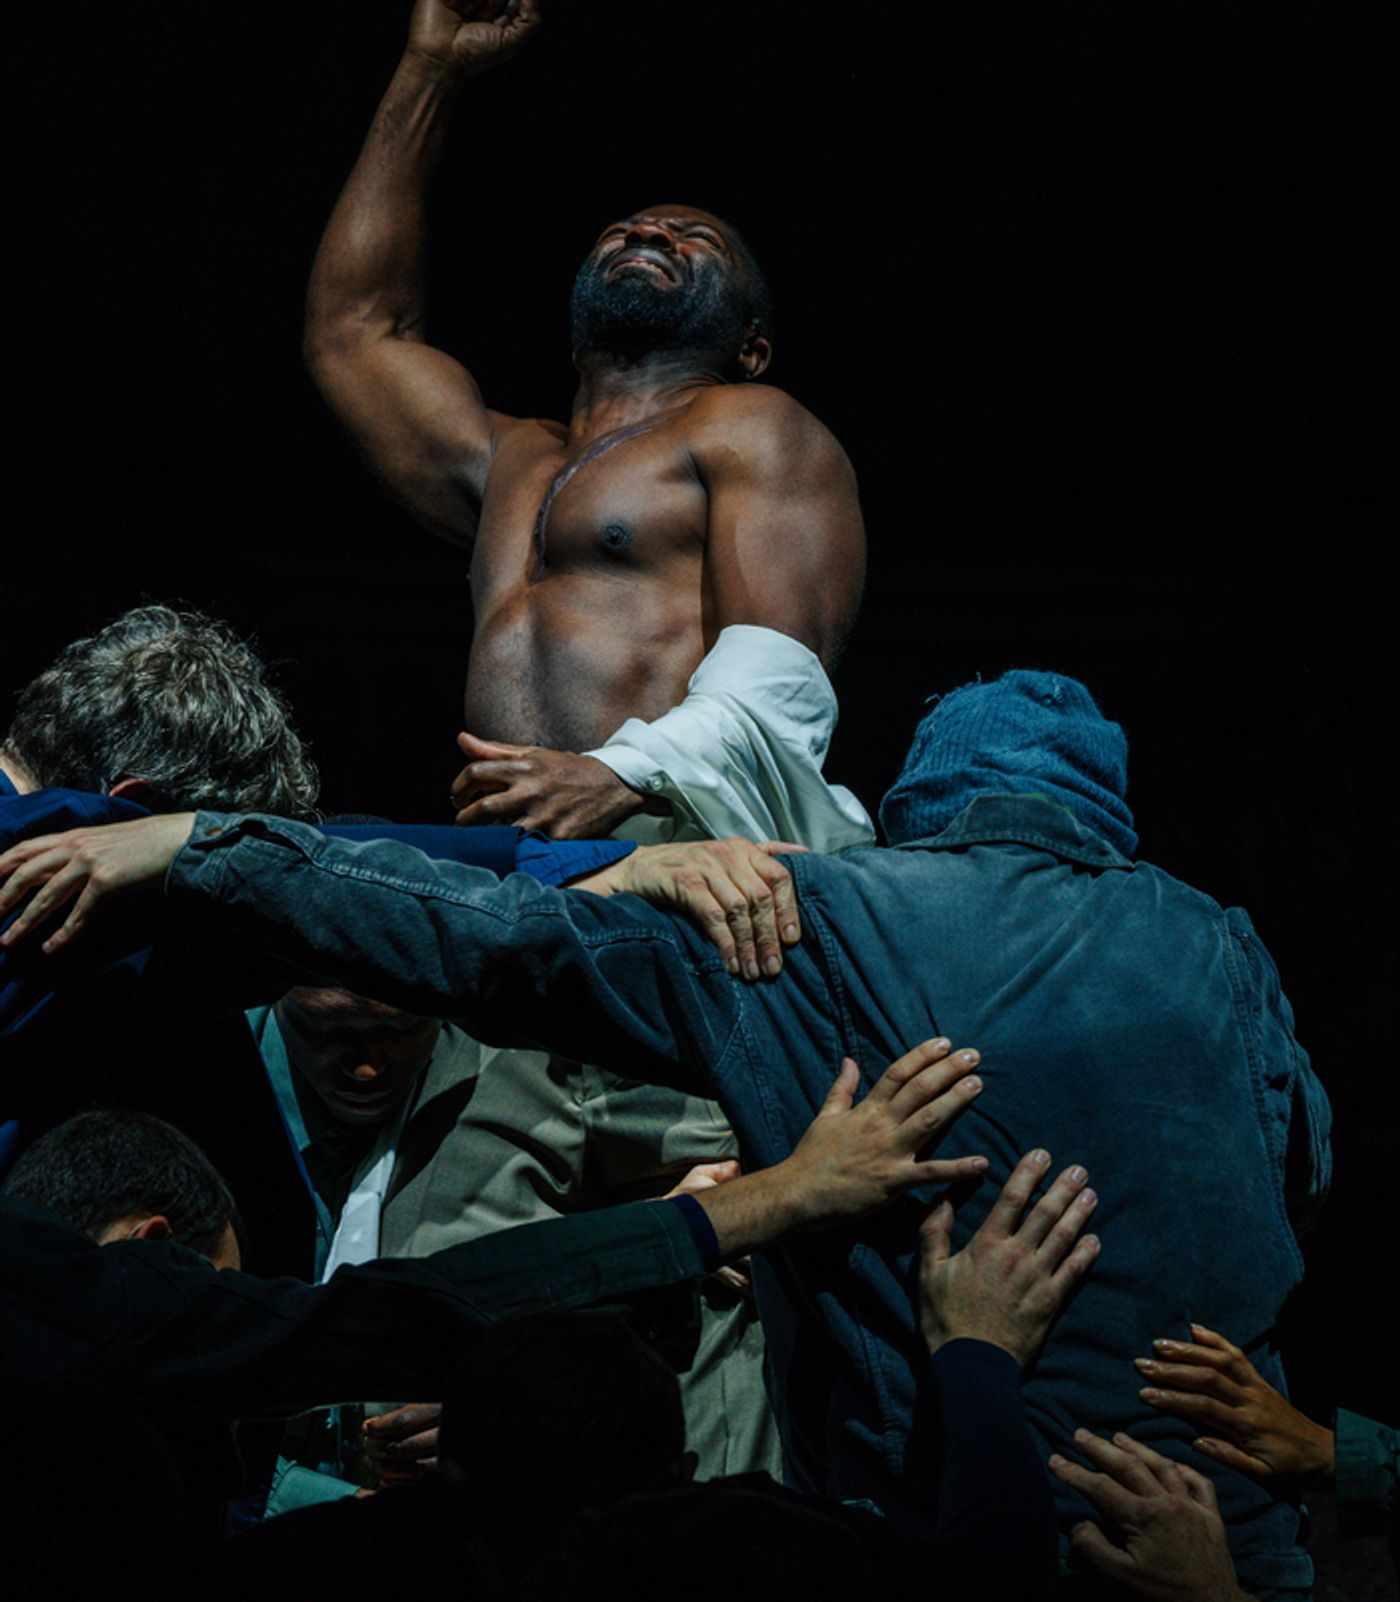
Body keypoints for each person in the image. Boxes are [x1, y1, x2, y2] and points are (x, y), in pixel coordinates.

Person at [0, 670, 1332, 1600]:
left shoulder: (832, 919)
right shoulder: (1226, 944)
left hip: (922, 1543)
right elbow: (1305, 1174)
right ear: (1107, 826)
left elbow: (470, 935)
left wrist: (196, 850)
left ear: (921, 812)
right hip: (1221, 1553)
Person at [0, 1037, 987, 1554]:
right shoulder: (98, 1323)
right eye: (217, 1296)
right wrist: (775, 1200)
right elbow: (406, 1311)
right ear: (148, 1248)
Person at [304, 0, 871, 853]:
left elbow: (782, 683)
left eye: (695, 240)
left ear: (752, 349)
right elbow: (355, 331)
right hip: (526, 864)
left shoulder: (749, 424)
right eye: (630, 228)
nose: (650, 229)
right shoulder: (511, 460)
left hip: (679, 855)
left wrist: (623, 774)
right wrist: (429, 70)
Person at [209, 1148, 1101, 1602]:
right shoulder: (749, 1552)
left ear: (447, 1470)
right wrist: (977, 1353)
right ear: (679, 1477)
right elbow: (996, 1580)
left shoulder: (324, 1565)